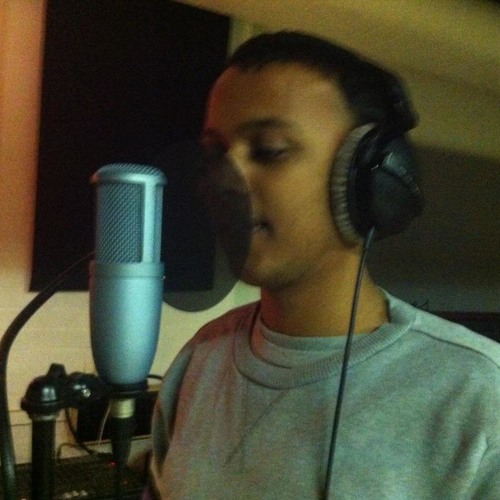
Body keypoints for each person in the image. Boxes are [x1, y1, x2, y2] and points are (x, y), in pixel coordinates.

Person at [146, 31, 500, 499]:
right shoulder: (198, 362)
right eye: (215, 155)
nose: (223, 180)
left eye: (269, 150)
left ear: (368, 181)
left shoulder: (478, 397)